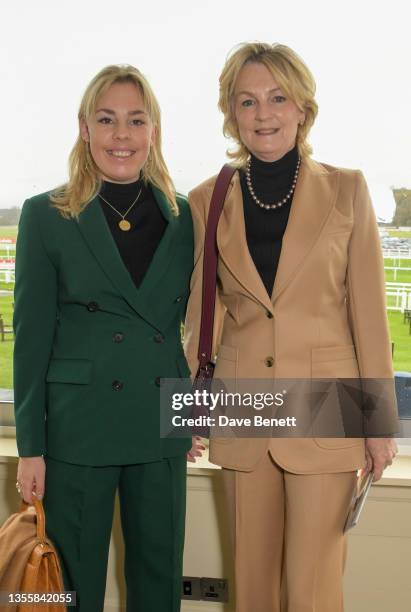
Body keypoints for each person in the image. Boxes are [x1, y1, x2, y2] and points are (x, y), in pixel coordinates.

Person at [183, 42, 399, 612]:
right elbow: (199, 319)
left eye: (278, 98)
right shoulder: (207, 199)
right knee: (251, 586)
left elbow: (369, 319)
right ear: (231, 113)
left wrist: (380, 425)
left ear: (303, 107)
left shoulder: (348, 189)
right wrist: (185, 415)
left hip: (328, 406)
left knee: (313, 589)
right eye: (247, 101)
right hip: (243, 407)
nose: (264, 114)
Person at [13, 64, 200, 612]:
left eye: (136, 120)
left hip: (156, 425)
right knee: (70, 589)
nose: (122, 134)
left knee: (158, 582)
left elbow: (179, 333)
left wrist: (186, 414)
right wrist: (32, 447)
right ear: (84, 128)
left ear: (154, 131)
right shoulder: (45, 216)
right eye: (107, 119)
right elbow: (31, 337)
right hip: (77, 429)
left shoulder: (183, 216)